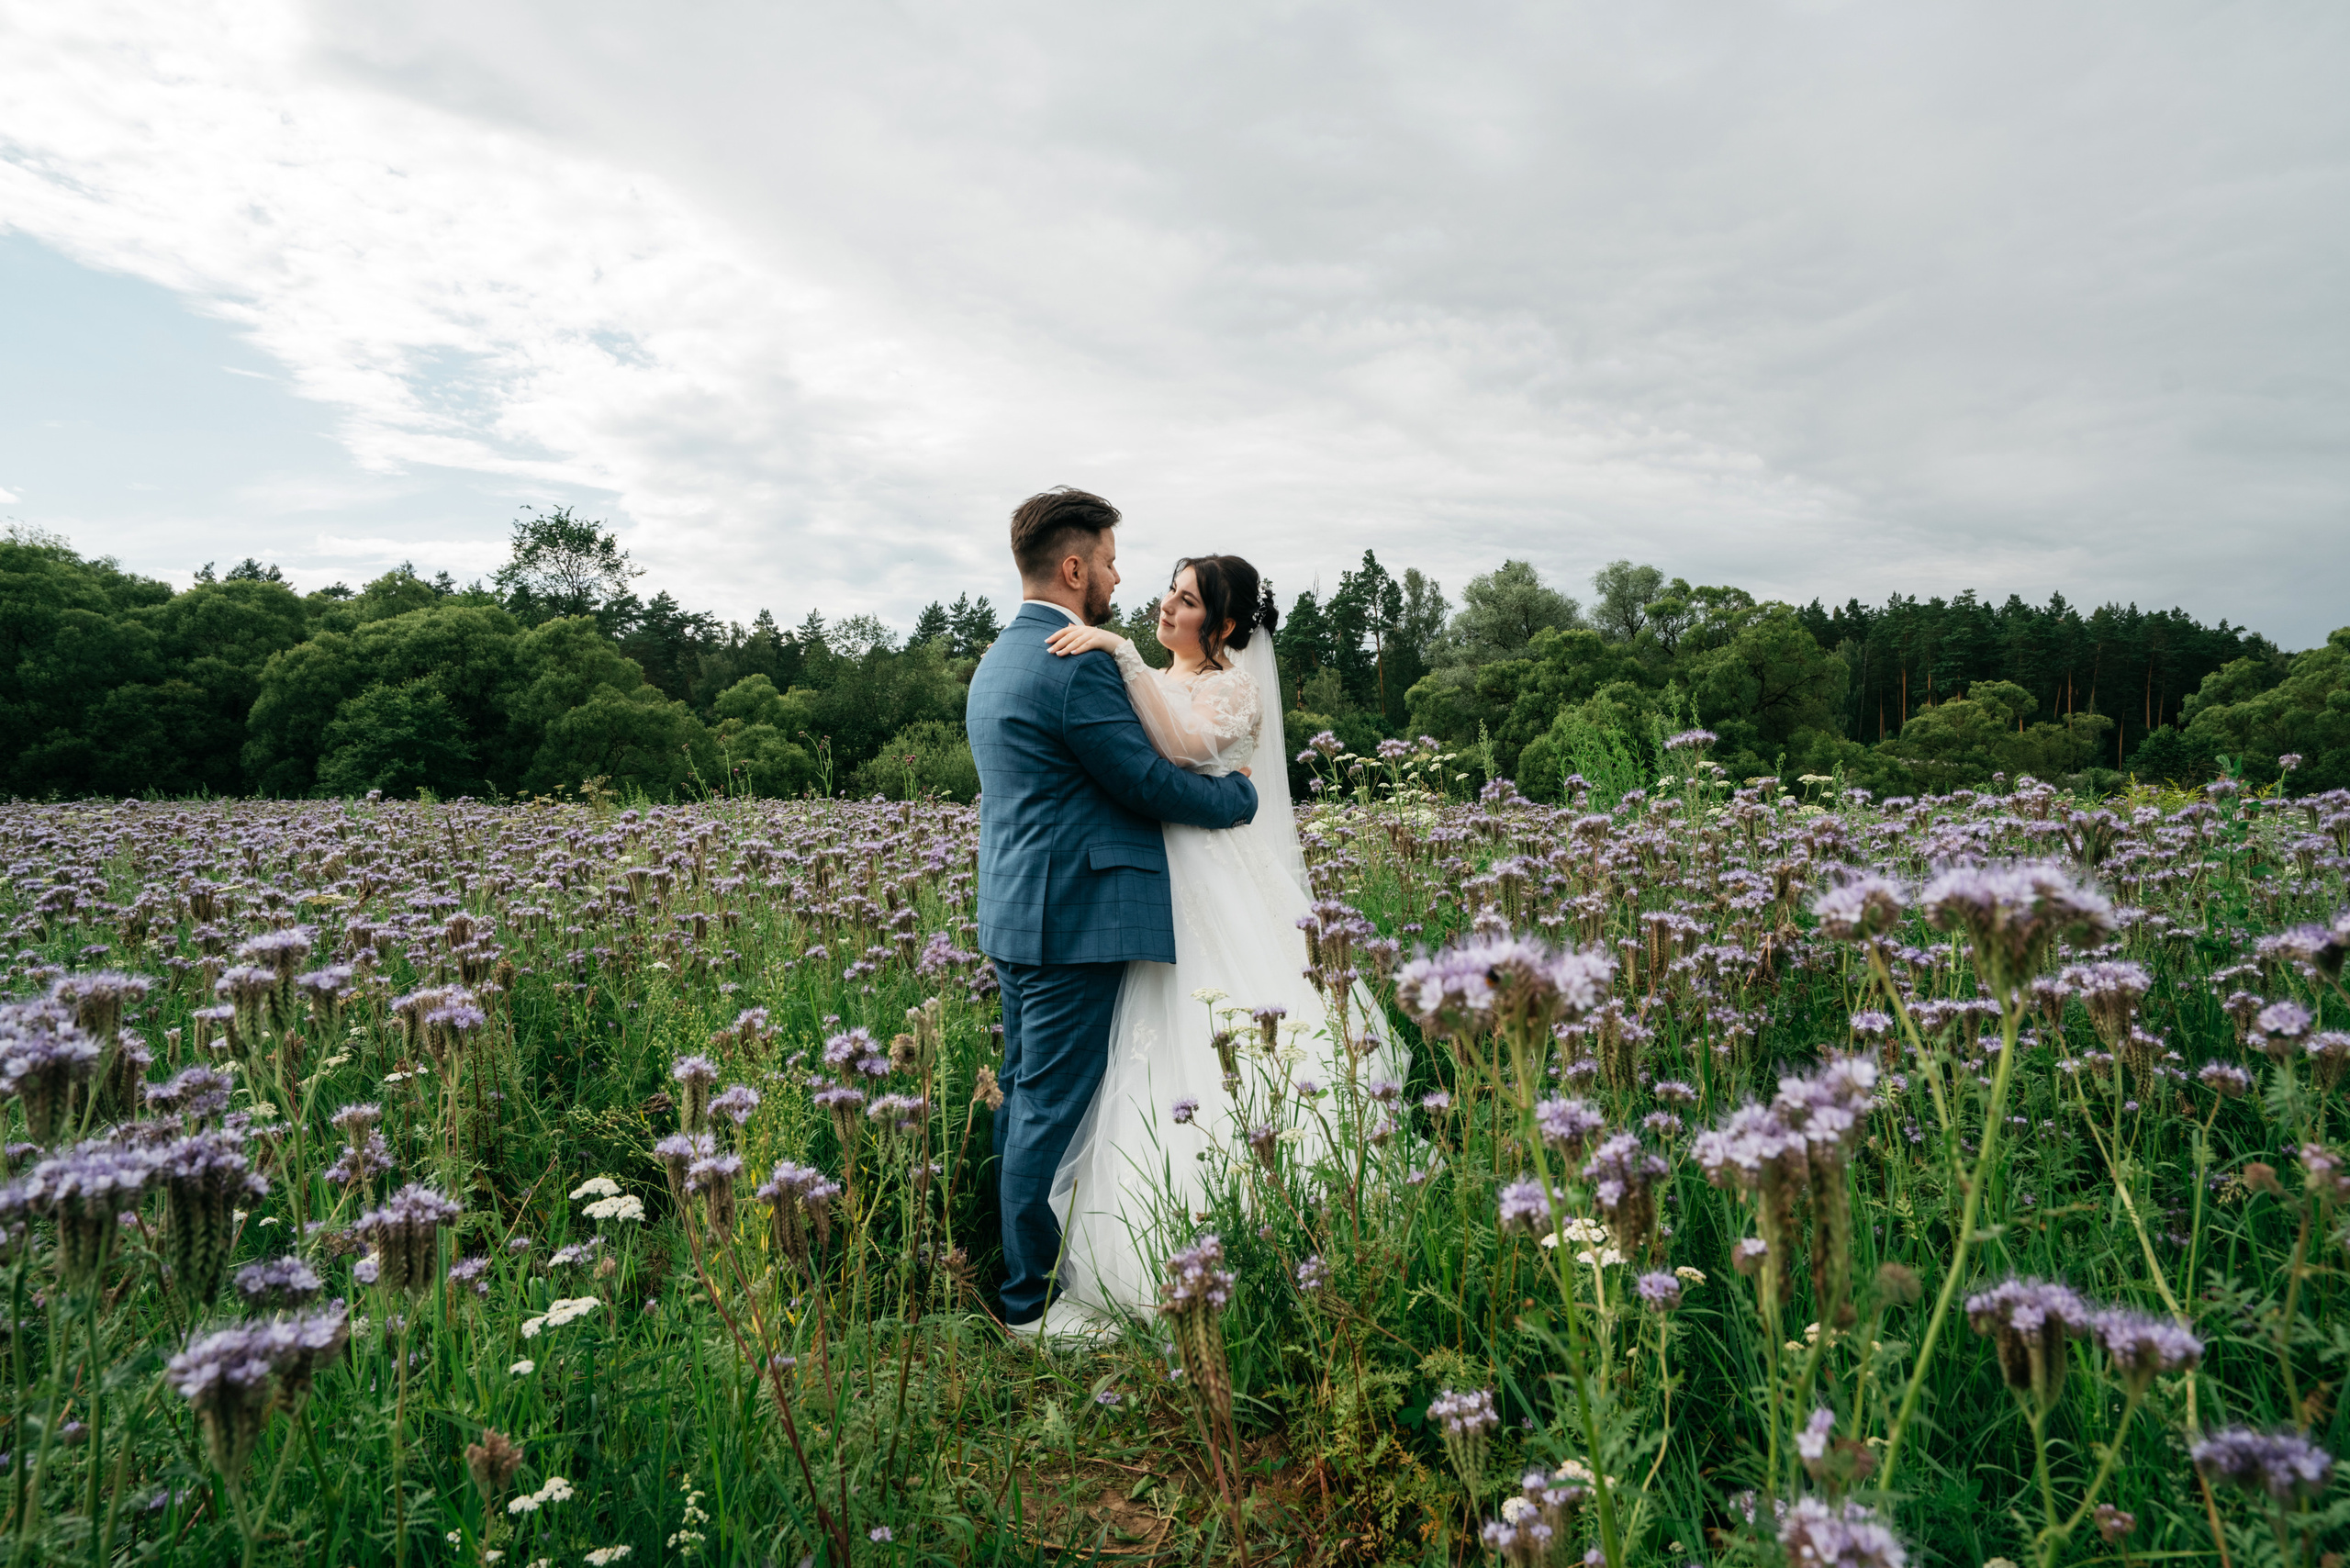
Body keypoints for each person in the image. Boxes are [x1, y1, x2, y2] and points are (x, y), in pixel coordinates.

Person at [1035, 552, 1386, 1319]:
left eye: (1187, 600)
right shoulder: (1149, 678)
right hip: (1151, 879)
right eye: (1168, 592)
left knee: (1224, 1026)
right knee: (1152, 1044)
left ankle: (1271, 1222)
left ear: (1223, 625)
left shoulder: (1234, 687)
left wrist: (1119, 650)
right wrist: (1122, 661)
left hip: (1213, 880)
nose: (1165, 607)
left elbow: (1182, 749)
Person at [965, 488, 1259, 1338]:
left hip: (1023, 906)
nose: (1119, 576)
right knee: (1049, 1109)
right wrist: (1238, 802)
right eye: (1109, 560)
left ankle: (1024, 1275)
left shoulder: (999, 658)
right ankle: (1030, 1305)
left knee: (1026, 1099)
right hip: (1074, 914)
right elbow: (1146, 780)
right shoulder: (1073, 660)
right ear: (1073, 568)